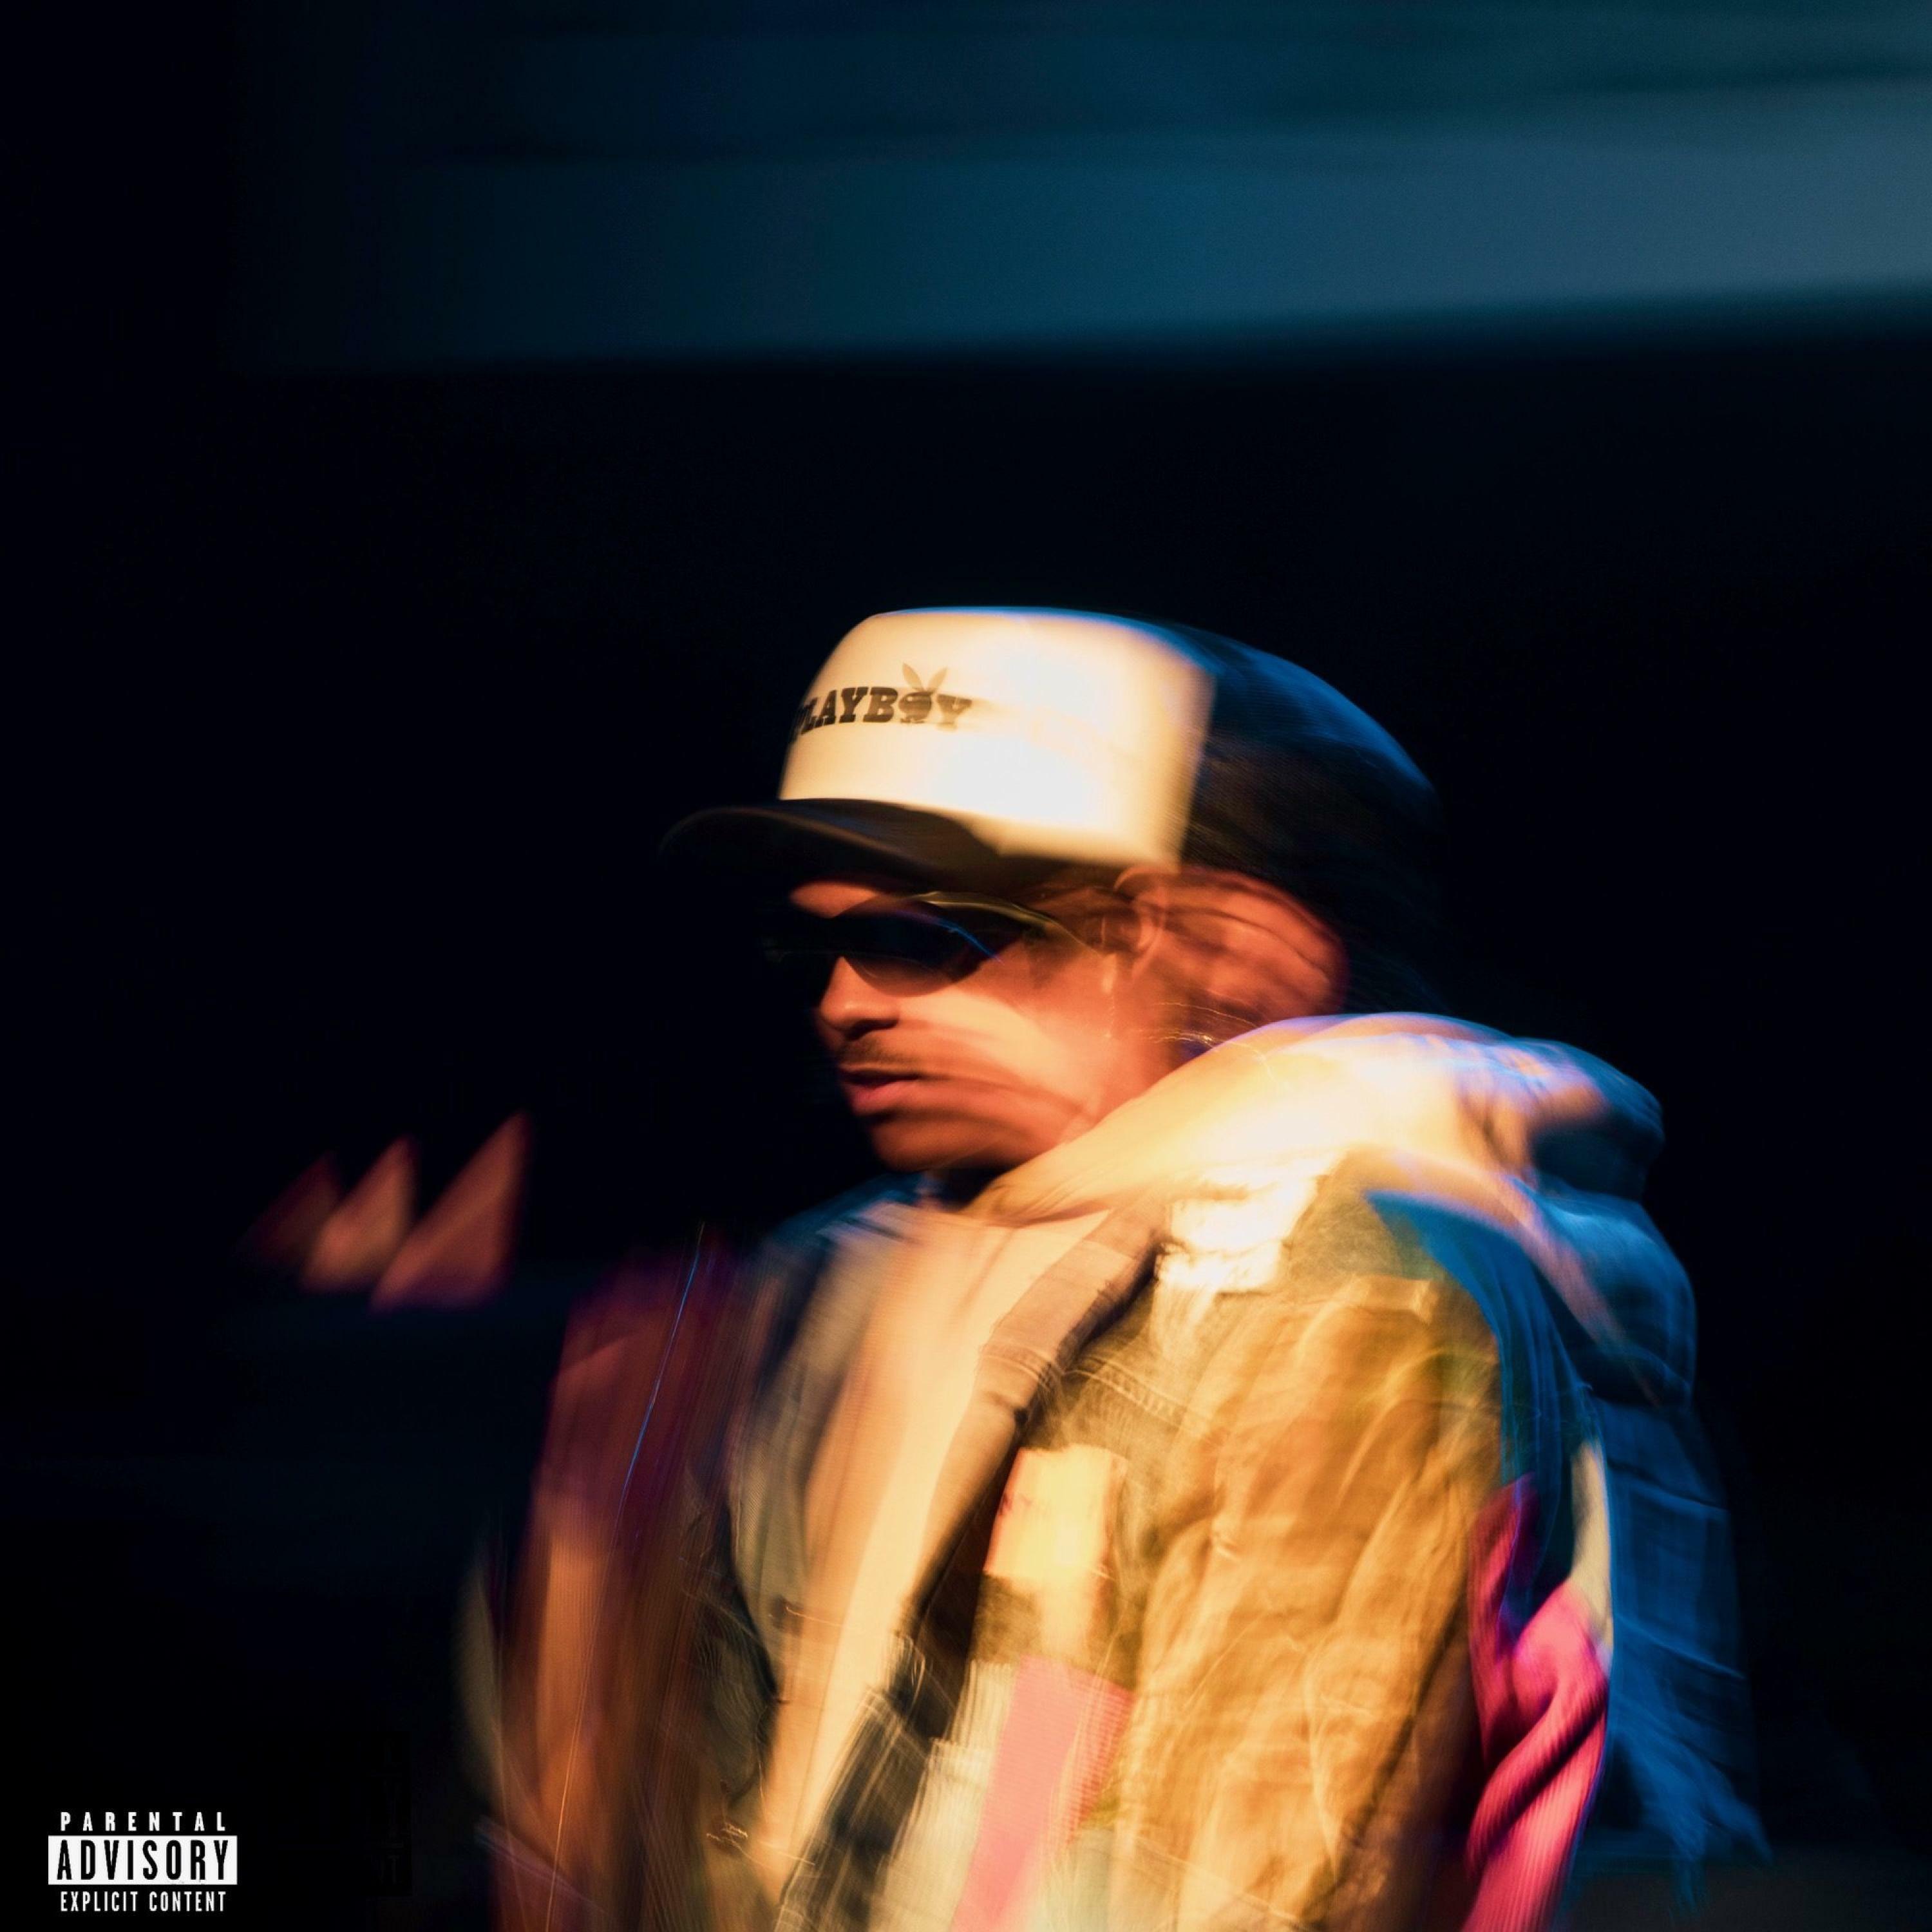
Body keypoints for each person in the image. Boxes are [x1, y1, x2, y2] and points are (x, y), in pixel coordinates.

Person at [487, 608, 1762, 1932]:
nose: (844, 1001)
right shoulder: (846, 1275)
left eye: (924, 936)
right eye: (811, 946)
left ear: (1186, 939)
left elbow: (1249, 1885)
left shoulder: (1352, 1289)